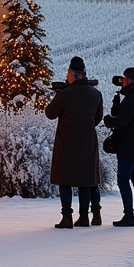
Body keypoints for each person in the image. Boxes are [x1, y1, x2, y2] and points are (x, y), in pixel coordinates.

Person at [45, 55, 104, 229]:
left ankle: (67, 217)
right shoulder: (96, 94)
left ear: (71, 74)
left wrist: (58, 94)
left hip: (66, 142)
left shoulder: (65, 94)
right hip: (87, 142)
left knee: (65, 180)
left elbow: (50, 113)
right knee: (85, 181)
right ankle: (84, 216)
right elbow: (97, 118)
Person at [103, 67, 134, 226]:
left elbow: (122, 121)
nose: (122, 81)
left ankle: (129, 216)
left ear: (129, 80)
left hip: (129, 145)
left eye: (124, 79)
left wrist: (109, 121)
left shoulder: (132, 99)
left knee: (123, 179)